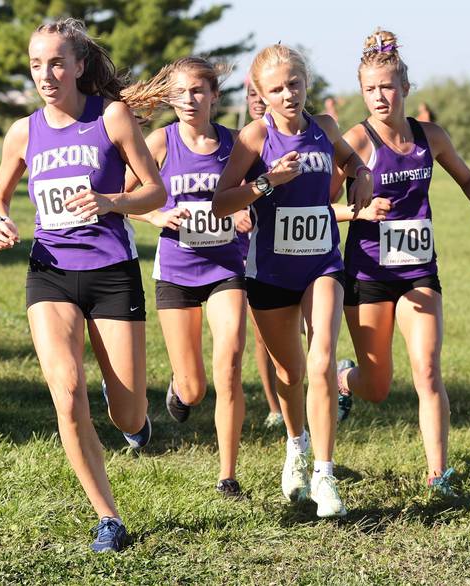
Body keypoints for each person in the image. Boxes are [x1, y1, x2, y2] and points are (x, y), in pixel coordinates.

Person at [0, 18, 166, 553]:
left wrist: (113, 202)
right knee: (66, 395)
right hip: (51, 273)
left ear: (80, 65)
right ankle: (108, 516)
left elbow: (154, 191)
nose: (47, 73)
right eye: (37, 63)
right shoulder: (23, 132)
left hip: (112, 272)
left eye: (57, 62)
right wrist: (0, 220)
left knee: (128, 414)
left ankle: (130, 413)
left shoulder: (110, 118)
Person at [332, 30, 470, 496]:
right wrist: (358, 210)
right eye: (370, 89)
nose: (379, 96)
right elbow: (321, 208)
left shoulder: (432, 136)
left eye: (387, 87)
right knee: (377, 387)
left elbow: (469, 178)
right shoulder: (354, 142)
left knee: (427, 368)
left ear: (406, 88)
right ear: (361, 92)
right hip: (366, 271)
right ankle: (343, 379)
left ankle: (438, 474)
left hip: (417, 268)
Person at [213, 43, 373, 519]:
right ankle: (296, 445)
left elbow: (352, 161)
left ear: (307, 84)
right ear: (260, 93)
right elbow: (222, 202)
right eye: (277, 89)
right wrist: (266, 184)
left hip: (322, 263)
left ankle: (325, 474)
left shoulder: (324, 127)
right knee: (289, 373)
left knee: (322, 359)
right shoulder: (255, 138)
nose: (288, 95)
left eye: (295, 85)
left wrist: (361, 173)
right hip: (270, 273)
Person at [125, 57, 247, 497]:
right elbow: (126, 199)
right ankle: (180, 387)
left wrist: (249, 208)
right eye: (179, 92)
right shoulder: (159, 142)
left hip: (227, 268)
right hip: (176, 272)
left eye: (197, 91)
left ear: (215, 95)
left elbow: (255, 192)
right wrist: (157, 216)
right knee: (194, 388)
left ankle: (227, 474)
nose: (189, 100)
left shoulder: (236, 145)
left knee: (229, 362)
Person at [243, 75, 283, 429]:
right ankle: (275, 407)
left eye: (262, 93)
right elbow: (223, 191)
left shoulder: (298, 133)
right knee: (262, 334)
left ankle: (326, 382)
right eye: (250, 94)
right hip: (248, 250)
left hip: (303, 251)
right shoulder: (243, 138)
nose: (257, 100)